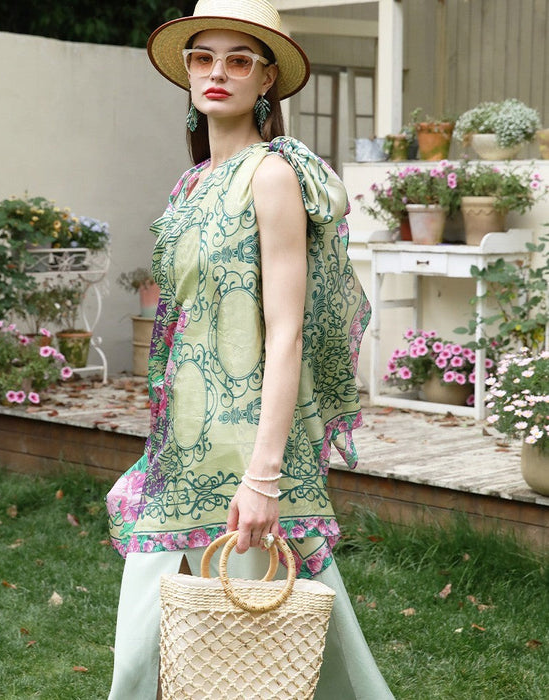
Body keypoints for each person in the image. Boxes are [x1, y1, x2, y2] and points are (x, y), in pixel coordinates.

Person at [106, 1, 395, 697]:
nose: (217, 72)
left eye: (239, 61)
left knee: (259, 655)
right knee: (152, 652)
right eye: (203, 58)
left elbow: (286, 329)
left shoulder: (272, 174)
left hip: (247, 451)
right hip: (182, 448)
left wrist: (264, 477)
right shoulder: (193, 182)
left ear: (267, 80)